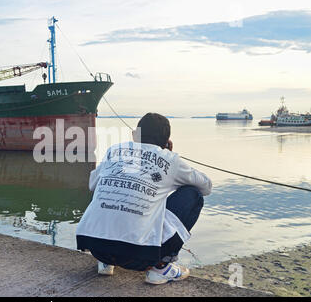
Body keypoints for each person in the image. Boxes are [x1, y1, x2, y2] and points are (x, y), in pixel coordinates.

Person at [76, 113, 212, 284]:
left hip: (96, 247)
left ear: (135, 135)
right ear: (166, 141)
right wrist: (169, 167)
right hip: (139, 259)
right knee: (193, 194)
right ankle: (160, 268)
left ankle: (106, 263)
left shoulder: (114, 151)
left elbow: (92, 185)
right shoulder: (170, 160)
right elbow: (206, 186)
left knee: (107, 188)